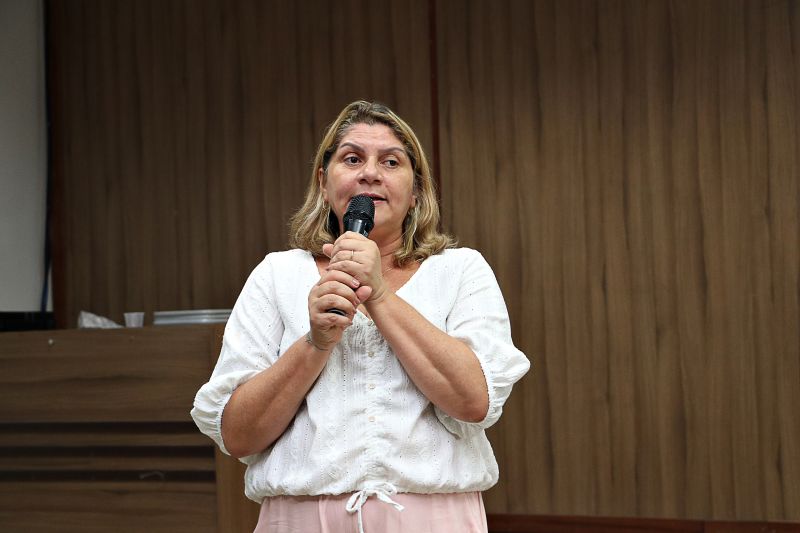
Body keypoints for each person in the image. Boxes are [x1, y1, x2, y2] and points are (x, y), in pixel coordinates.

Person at [191, 100, 530, 533]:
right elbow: (238, 435)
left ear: (416, 191)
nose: (370, 173)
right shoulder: (277, 275)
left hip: (432, 519)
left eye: (391, 161)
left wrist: (379, 294)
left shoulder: (461, 270)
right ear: (323, 182)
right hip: (299, 519)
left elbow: (474, 402)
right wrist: (315, 342)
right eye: (352, 159)